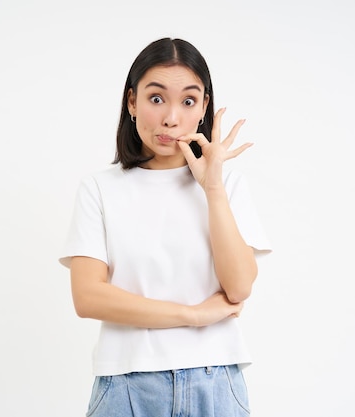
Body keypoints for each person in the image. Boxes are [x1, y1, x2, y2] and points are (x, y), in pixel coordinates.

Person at [59, 37, 272, 416]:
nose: (171, 118)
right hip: (125, 385)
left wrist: (213, 188)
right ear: (132, 102)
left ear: (204, 106)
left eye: (188, 101)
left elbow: (239, 287)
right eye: (156, 98)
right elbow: (88, 297)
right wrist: (193, 315)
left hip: (215, 382)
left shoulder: (228, 187)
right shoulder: (100, 188)